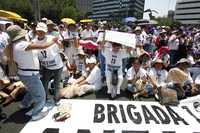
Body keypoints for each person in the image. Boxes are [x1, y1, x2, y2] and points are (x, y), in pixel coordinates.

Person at [6, 25, 58, 121]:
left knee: (31, 90)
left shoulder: (14, 44)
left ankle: (24, 104)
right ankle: (36, 113)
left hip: (25, 73)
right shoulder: (21, 44)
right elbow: (43, 46)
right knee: (41, 95)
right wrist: (53, 41)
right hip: (30, 74)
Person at [33, 22, 63, 104]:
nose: (40, 33)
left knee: (57, 84)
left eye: (42, 31)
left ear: (46, 31)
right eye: (39, 31)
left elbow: (61, 48)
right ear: (36, 31)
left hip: (57, 66)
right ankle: (44, 99)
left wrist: (59, 44)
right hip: (45, 67)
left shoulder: (51, 38)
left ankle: (56, 99)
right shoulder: (33, 41)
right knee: (44, 84)